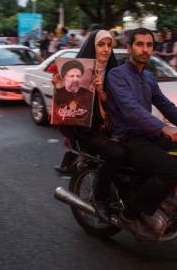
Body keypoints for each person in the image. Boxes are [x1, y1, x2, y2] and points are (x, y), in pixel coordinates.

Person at [106, 27, 177, 238]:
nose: (145, 49)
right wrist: (164, 128)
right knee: (171, 169)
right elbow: (131, 109)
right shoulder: (117, 75)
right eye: (140, 44)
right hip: (128, 137)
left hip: (150, 134)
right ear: (129, 47)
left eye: (149, 45)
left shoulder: (148, 76)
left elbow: (166, 106)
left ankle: (169, 204)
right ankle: (130, 214)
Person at [52, 30, 124, 221]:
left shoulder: (115, 72)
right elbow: (67, 106)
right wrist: (60, 88)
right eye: (101, 45)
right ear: (92, 46)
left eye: (110, 45)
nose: (106, 49)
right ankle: (100, 199)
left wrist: (101, 91)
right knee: (116, 153)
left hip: (112, 127)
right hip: (87, 131)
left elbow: (118, 106)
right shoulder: (77, 70)